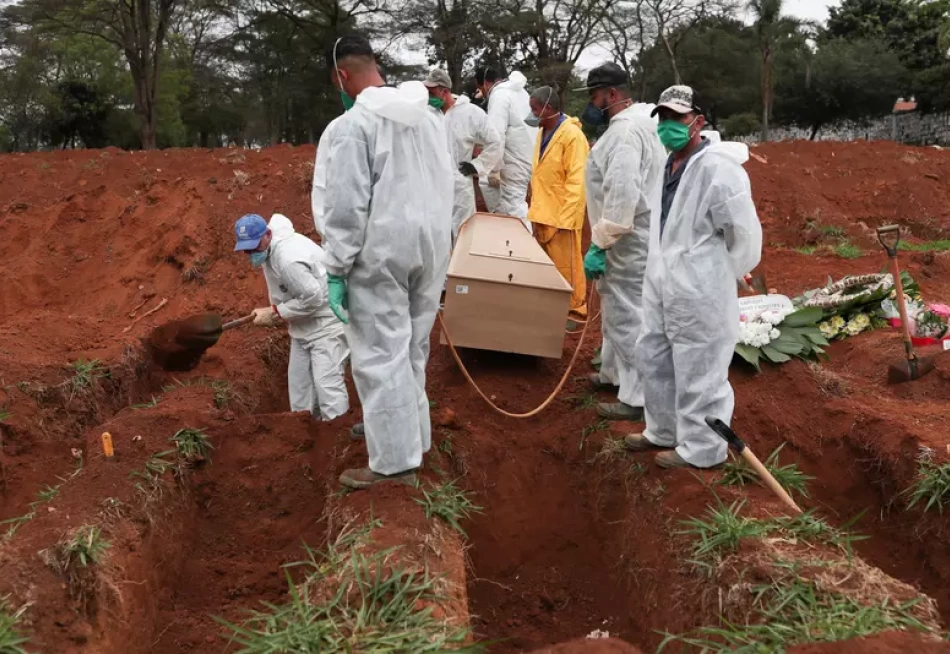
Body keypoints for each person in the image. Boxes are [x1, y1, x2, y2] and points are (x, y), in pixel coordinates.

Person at [321, 35, 454, 489]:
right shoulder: (429, 119)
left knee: (381, 355)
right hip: (431, 248)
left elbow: (345, 207)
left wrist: (337, 268)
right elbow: (448, 184)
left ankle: (395, 465)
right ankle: (415, 440)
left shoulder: (352, 126)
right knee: (412, 348)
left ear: (343, 75)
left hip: (380, 253)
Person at [627, 85, 762, 469]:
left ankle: (702, 448)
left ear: (698, 121)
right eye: (663, 118)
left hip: (700, 284)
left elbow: (744, 235)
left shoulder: (719, 169)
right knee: (653, 353)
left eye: (677, 118)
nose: (668, 125)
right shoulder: (667, 165)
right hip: (662, 278)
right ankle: (663, 430)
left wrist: (717, 273)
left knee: (699, 363)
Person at [577, 63, 666, 423]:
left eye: (595, 97)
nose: (592, 105)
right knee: (616, 309)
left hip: (626, 239)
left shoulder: (626, 134)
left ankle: (637, 395)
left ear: (612, 95)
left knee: (626, 314)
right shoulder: (637, 125)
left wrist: (601, 243)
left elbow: (621, 194)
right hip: (632, 235)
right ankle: (613, 373)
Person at [233, 213, 350, 421]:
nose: (251, 252)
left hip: (326, 324)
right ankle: (305, 439)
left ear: (267, 234)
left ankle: (337, 440)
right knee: (300, 388)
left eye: (254, 246)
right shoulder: (270, 248)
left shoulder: (287, 259)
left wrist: (276, 313)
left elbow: (313, 297)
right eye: (246, 248)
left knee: (327, 385)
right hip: (302, 327)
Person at [526, 86, 589, 322]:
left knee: (567, 266)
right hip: (542, 211)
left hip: (562, 214)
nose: (531, 114)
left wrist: (568, 219)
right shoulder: (543, 132)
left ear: (548, 108)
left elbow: (577, 180)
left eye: (534, 109)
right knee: (546, 266)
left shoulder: (573, 136)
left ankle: (576, 310)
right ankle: (550, 306)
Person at [423, 68, 503, 241]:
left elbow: (494, 141)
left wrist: (477, 165)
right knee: (436, 236)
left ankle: (461, 267)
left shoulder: (470, 113)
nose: (428, 96)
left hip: (460, 186)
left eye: (432, 92)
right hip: (433, 185)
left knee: (463, 234)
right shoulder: (426, 114)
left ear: (445, 91)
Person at [474, 65, 536, 232]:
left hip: (512, 163)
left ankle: (523, 252)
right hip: (528, 157)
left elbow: (496, 135)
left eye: (481, 88)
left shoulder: (499, 96)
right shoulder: (520, 92)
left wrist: (494, 168)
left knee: (512, 210)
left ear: (486, 84)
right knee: (515, 206)